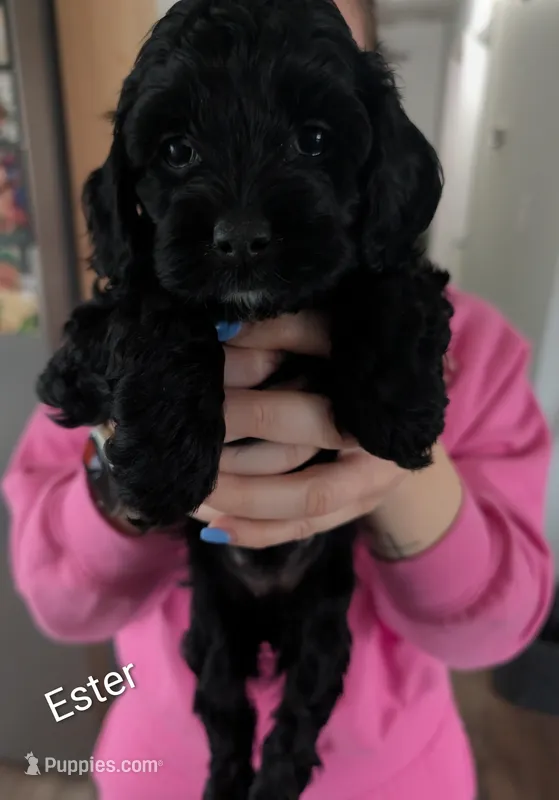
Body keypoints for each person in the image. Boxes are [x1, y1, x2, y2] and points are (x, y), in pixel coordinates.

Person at [2, 1, 554, 798]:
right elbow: (58, 601)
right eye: (180, 150)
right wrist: (124, 457)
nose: (239, 223)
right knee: (216, 671)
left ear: (377, 156)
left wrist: (402, 475)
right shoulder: (135, 319)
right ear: (128, 191)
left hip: (399, 776)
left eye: (312, 141)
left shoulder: (478, 349)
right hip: (156, 764)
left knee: (319, 645)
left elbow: (496, 631)